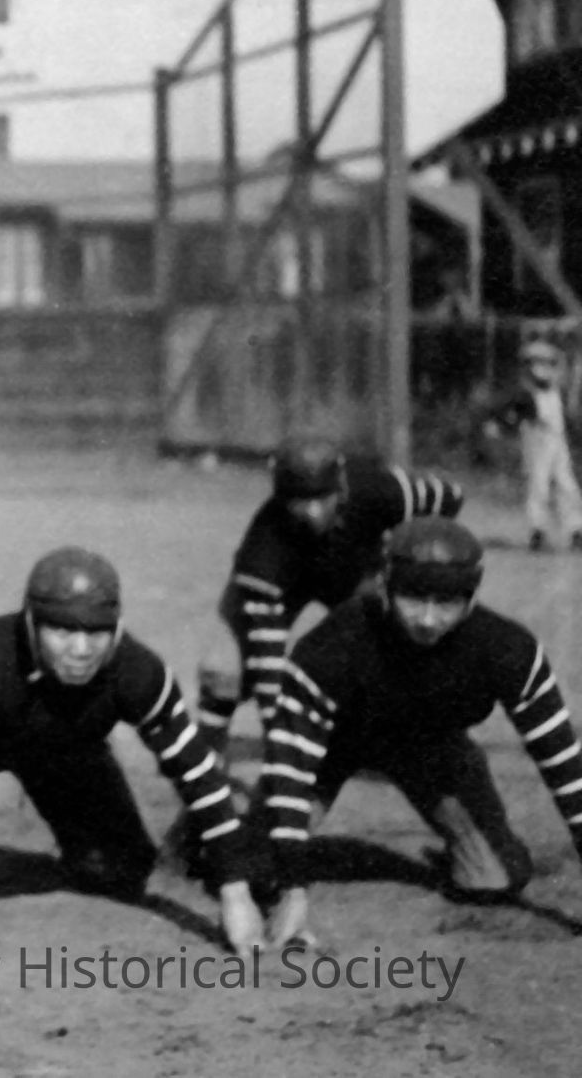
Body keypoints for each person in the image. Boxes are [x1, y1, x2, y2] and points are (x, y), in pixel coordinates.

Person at [0, 547, 263, 962]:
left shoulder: (137, 672)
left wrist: (236, 895)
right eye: (61, 630)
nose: (81, 649)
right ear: (31, 623)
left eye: (96, 632)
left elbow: (199, 773)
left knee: (122, 871)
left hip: (61, 749)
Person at [261, 517, 582, 946]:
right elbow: (291, 760)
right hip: (334, 746)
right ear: (385, 586)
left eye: (447, 602)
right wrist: (292, 889)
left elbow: (565, 767)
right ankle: (210, 825)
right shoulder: (332, 645)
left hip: (430, 750)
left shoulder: (508, 651)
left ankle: (470, 839)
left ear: (471, 597)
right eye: (413, 598)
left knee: (493, 879)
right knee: (254, 867)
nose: (428, 620)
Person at [194, 436, 463, 748]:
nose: (313, 512)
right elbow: (268, 663)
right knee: (223, 666)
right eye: (300, 501)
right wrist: (280, 736)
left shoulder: (375, 490)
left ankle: (402, 737)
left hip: (356, 578)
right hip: (286, 590)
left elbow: (451, 497)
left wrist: (407, 553)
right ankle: (206, 756)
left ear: (342, 488)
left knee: (404, 632)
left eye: (322, 498)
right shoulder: (264, 548)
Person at [483, 337, 582, 553]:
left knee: (567, 484)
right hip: (538, 441)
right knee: (539, 485)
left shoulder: (556, 392)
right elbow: (504, 411)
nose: (544, 368)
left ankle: (575, 529)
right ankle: (538, 530)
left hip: (558, 441)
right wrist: (502, 424)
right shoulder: (525, 393)